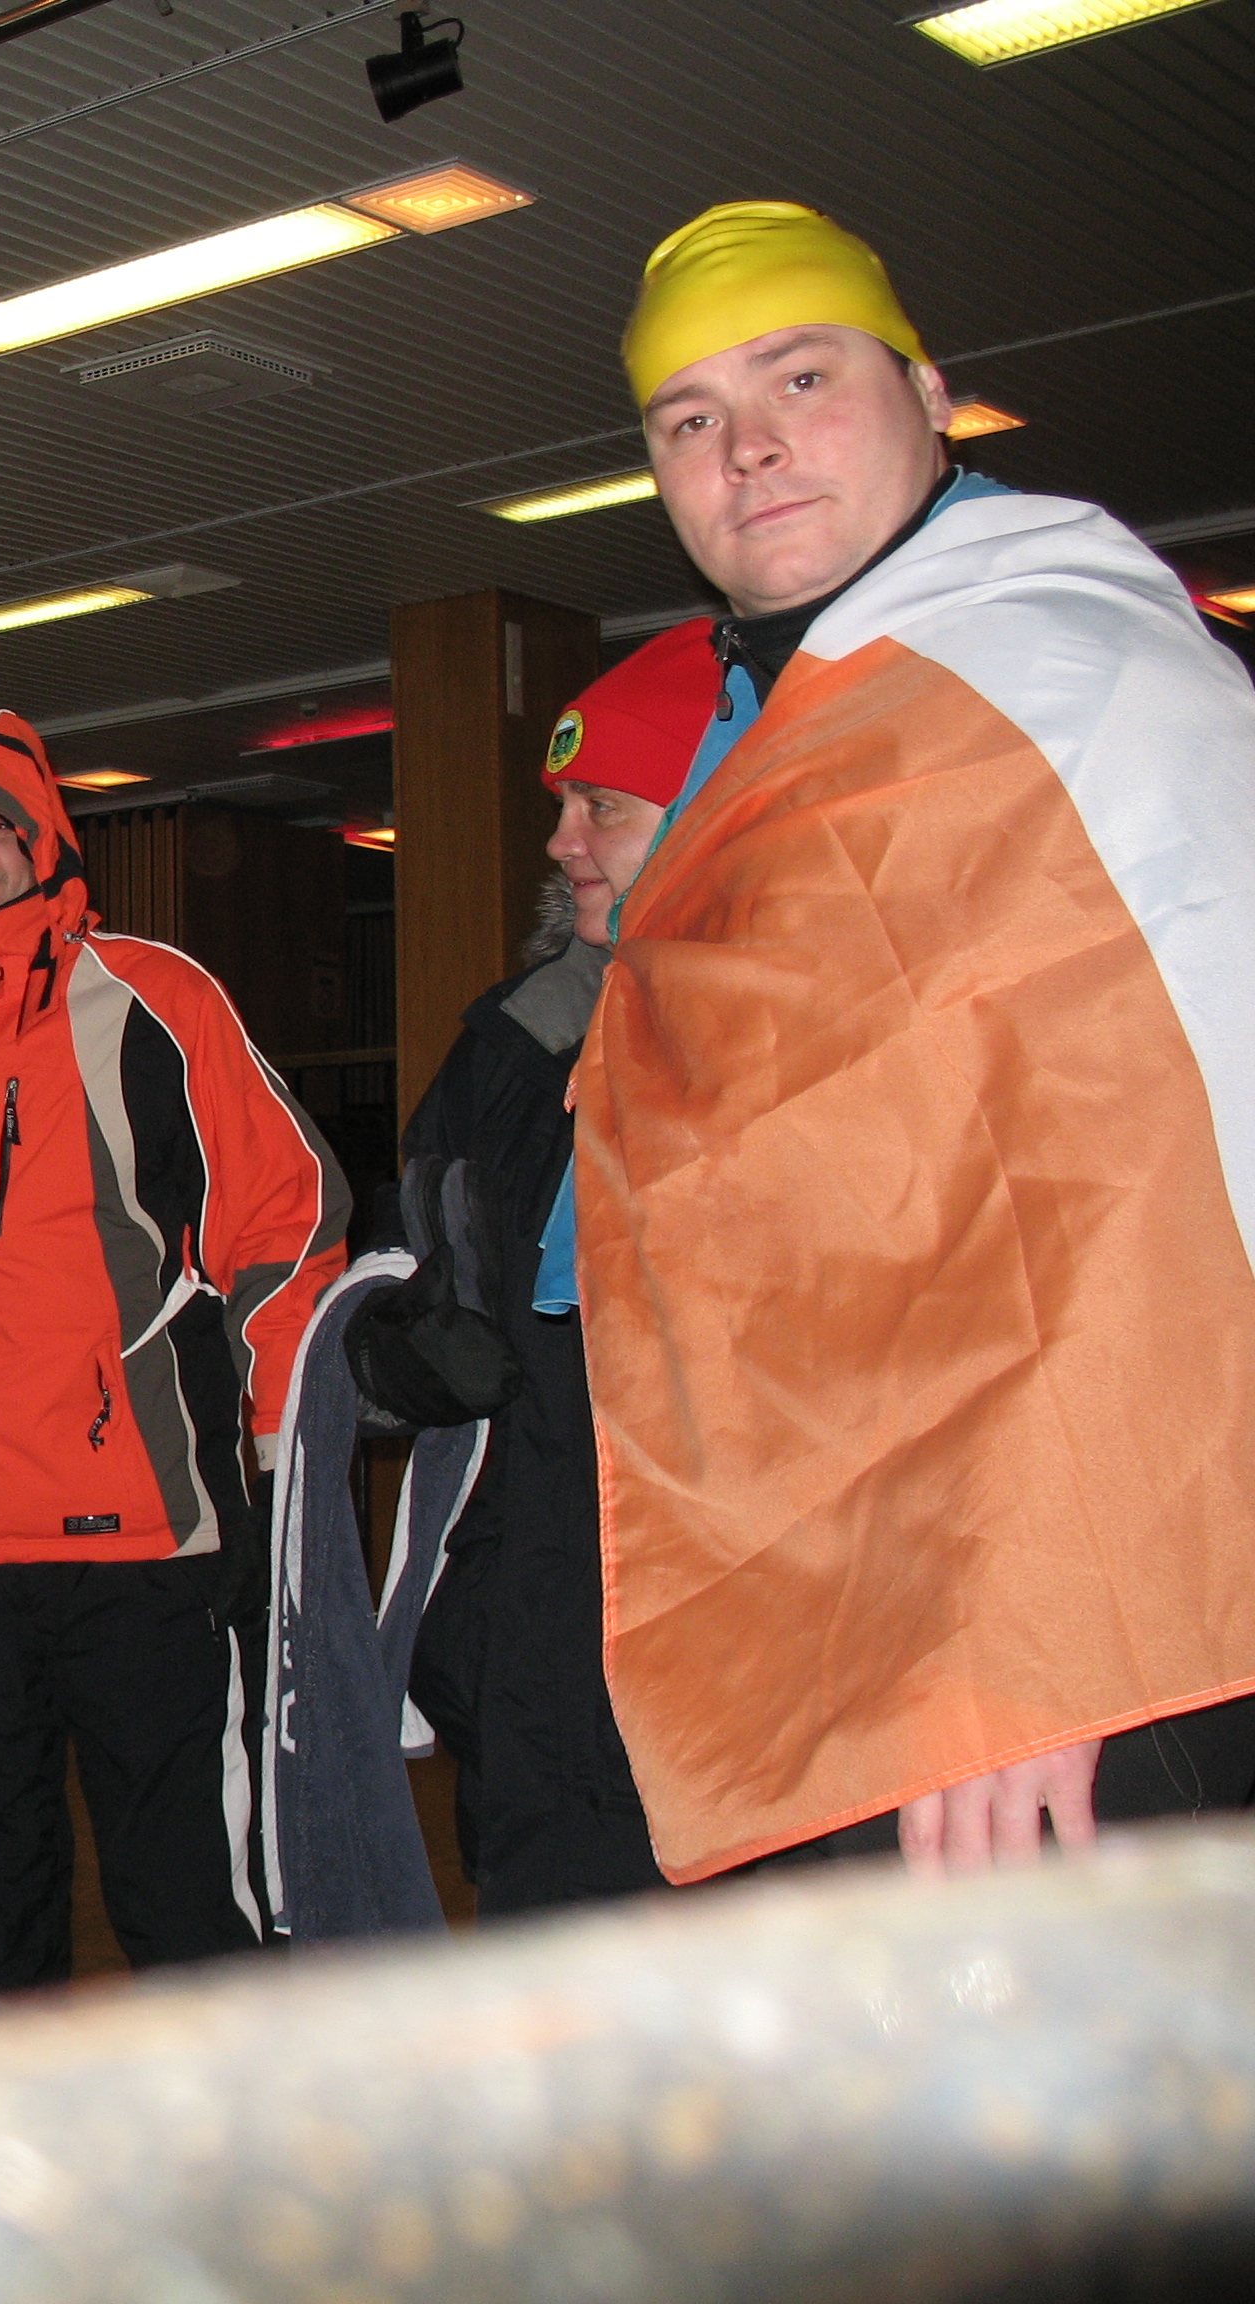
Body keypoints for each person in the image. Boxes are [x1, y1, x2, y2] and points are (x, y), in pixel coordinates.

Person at [573, 202, 1255, 1883]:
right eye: (688, 420)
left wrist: (1046, 1636)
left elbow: (1173, 1179)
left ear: (930, 394)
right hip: (873, 1582)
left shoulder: (1068, 685)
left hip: (1084, 1627)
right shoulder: (803, 714)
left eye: (800, 378)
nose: (747, 448)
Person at [0, 712, 346, 1990]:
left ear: (45, 844)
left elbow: (291, 1220)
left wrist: (279, 1458)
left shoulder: (152, 998)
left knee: (186, 1901)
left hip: (143, 1545)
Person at [388, 621, 719, 1918]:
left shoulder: (821, 1042)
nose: (562, 840)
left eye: (604, 808)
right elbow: (434, 1282)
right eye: (564, 806)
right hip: (537, 1632)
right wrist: (395, 1347)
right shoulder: (517, 1046)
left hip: (731, 1652)